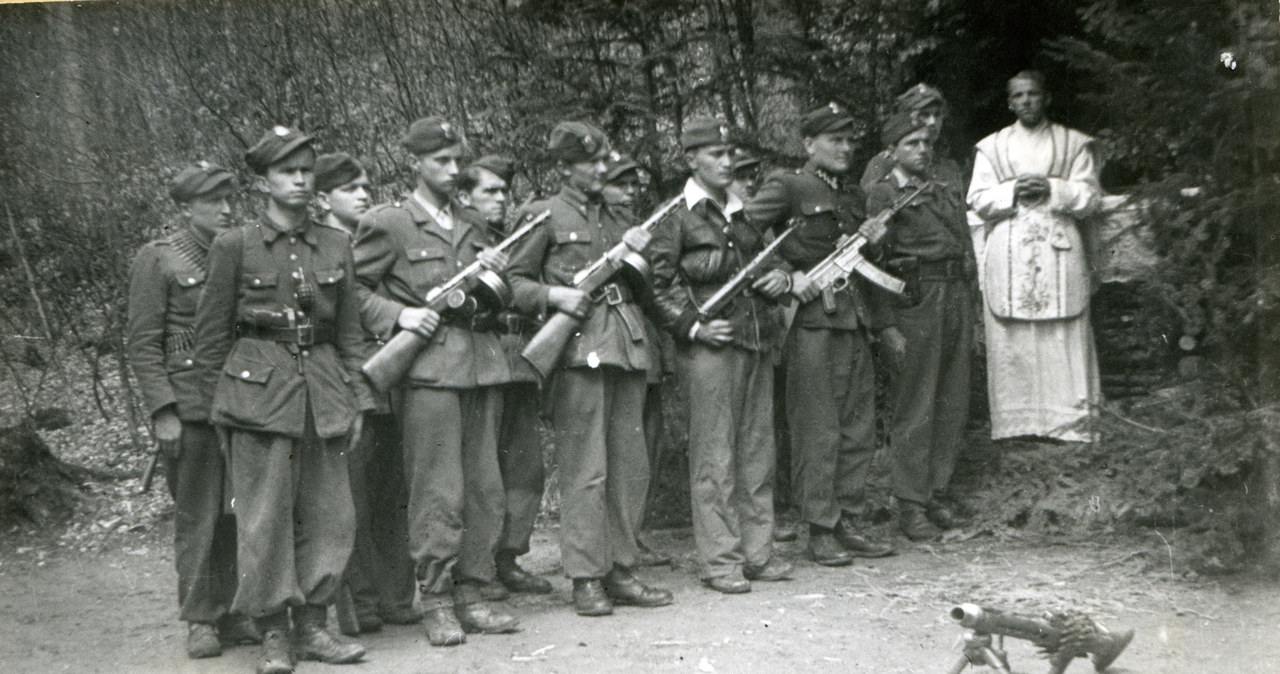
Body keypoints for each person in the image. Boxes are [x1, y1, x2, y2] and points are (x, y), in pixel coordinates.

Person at [192, 127, 371, 673]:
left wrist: (357, 397)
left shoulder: (336, 244)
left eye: (306, 170)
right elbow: (210, 340)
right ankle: (273, 632)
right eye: (287, 171)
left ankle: (314, 625)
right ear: (263, 181)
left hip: (323, 393)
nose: (298, 179)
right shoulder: (234, 246)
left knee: (330, 516)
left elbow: (350, 334)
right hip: (257, 399)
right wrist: (222, 409)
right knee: (264, 520)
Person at [352, 117, 519, 646]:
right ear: (414, 164)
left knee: (485, 489)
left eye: (456, 161)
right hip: (428, 374)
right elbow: (350, 292)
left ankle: (475, 590)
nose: (452, 170)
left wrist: (496, 274)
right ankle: (439, 599)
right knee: (437, 492)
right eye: (440, 161)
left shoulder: (473, 221)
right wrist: (397, 317)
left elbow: (489, 299)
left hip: (481, 366)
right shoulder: (390, 224)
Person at [506, 121, 673, 617]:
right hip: (577, 349)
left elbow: (648, 283)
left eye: (605, 160)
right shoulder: (543, 216)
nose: (604, 169)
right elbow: (513, 281)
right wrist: (553, 294)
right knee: (587, 470)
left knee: (630, 466)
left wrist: (641, 250)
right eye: (592, 162)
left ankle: (622, 569)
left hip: (626, 342)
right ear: (563, 167)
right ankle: (585, 576)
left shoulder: (620, 215)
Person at [745, 102, 903, 567]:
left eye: (851, 140)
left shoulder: (851, 196)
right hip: (811, 323)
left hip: (851, 320)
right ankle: (820, 527)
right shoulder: (787, 185)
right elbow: (741, 235)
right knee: (819, 430)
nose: (846, 148)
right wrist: (787, 276)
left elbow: (869, 264)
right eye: (835, 140)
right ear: (808, 144)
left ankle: (847, 518)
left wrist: (876, 238)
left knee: (858, 427)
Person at [648, 117, 794, 593]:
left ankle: (758, 553)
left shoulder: (745, 212)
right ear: (691, 160)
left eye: (730, 154)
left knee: (757, 452)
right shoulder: (675, 217)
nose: (728, 162)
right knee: (714, 457)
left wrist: (782, 281)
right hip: (709, 349)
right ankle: (721, 561)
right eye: (716, 154)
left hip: (755, 340)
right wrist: (692, 325)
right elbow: (657, 285)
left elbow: (772, 263)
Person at [126, 162, 260, 659]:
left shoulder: (240, 253)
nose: (226, 209)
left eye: (229, 199)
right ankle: (201, 618)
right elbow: (142, 343)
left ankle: (235, 608)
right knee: (199, 516)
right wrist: (163, 410)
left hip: (240, 400)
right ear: (186, 209)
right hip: (189, 406)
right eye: (213, 201)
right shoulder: (159, 259)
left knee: (238, 512)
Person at [966, 71, 1103, 442]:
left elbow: (1091, 198)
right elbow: (977, 200)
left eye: (1033, 94)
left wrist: (1053, 187)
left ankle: (1071, 426)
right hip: (1010, 253)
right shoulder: (991, 148)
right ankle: (1017, 426)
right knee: (1014, 339)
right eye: (1019, 96)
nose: (1026, 101)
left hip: (1060, 249)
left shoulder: (1073, 144)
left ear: (1047, 98)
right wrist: (1011, 191)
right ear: (1010, 103)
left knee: (1063, 335)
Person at [314, 153, 418, 633]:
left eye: (365, 186)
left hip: (390, 386)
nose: (363, 194)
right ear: (322, 199)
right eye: (350, 188)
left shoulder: (377, 239)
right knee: (349, 500)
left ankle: (398, 596)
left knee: (392, 497)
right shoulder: (315, 249)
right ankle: (360, 602)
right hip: (342, 386)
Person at [867, 114, 975, 541]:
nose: (922, 150)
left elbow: (963, 244)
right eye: (911, 143)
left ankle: (936, 492)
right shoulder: (882, 194)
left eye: (927, 142)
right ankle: (910, 504)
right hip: (916, 298)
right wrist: (886, 323)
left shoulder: (942, 189)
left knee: (952, 397)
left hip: (954, 295)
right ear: (892, 150)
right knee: (917, 401)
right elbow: (872, 264)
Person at [454, 154, 554, 598]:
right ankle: (475, 564)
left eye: (503, 191)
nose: (500, 199)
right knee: (482, 470)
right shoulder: (458, 240)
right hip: (480, 359)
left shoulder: (513, 237)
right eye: (489, 191)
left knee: (524, 465)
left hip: (519, 356)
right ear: (463, 196)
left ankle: (508, 557)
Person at [600, 151, 672, 568]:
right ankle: (614, 543)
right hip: (611, 346)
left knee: (647, 443)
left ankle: (632, 534)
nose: (628, 192)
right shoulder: (602, 231)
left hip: (643, 343)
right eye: (619, 184)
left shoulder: (638, 231)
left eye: (633, 185)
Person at [860, 83, 962, 192]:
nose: (932, 122)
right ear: (905, 120)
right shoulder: (882, 163)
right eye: (924, 115)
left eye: (937, 115)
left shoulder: (949, 166)